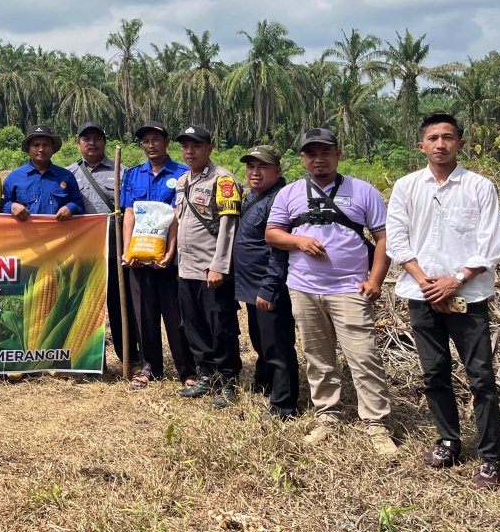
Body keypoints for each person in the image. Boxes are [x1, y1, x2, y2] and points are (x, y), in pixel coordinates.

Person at [386, 114, 500, 488]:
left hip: (468, 296)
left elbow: (492, 243)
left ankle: (491, 458)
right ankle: (449, 441)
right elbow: (396, 240)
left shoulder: (479, 187)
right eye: (433, 138)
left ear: (460, 143)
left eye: (448, 137)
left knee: (481, 378)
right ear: (421, 145)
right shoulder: (406, 187)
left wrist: (455, 281)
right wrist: (427, 283)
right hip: (421, 295)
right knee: (434, 372)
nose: (440, 144)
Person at [266, 128, 396, 455]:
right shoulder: (290, 193)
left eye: (325, 152)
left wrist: (375, 280)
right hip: (304, 289)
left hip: (351, 289)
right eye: (311, 153)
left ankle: (377, 425)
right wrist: (298, 241)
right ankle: (328, 417)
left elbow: (384, 239)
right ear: (303, 158)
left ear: (338, 154)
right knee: (318, 357)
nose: (318, 159)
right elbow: (272, 234)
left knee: (364, 356)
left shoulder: (363, 191)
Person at [169, 126, 243, 406]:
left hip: (212, 270)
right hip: (187, 268)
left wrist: (220, 266)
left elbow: (228, 226)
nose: (190, 150)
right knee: (194, 326)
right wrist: (178, 263)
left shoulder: (223, 180)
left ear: (209, 148)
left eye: (196, 145)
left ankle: (228, 383)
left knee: (221, 327)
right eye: (185, 146)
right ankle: (206, 377)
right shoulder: (183, 180)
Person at [119, 121, 196, 389]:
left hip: (169, 260)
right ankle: (149, 368)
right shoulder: (132, 175)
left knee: (176, 316)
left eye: (155, 140)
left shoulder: (184, 174)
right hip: (139, 257)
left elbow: (178, 216)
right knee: (144, 314)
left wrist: (171, 251)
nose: (150, 145)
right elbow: (129, 214)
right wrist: (127, 250)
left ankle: (187, 371)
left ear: (166, 143)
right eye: (145, 141)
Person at [231, 146, 300, 420]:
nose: (255, 172)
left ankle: (284, 404)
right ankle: (264, 383)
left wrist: (269, 287)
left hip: (266, 286)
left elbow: (279, 251)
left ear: (278, 171)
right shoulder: (252, 196)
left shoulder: (279, 200)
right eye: (250, 167)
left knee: (278, 345)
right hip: (249, 285)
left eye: (263, 167)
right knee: (260, 340)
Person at [68, 122, 139, 384]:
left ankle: (130, 360)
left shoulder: (123, 172)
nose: (92, 143)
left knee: (122, 309)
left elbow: (133, 208)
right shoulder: (69, 173)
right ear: (78, 144)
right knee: (88, 309)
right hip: (85, 255)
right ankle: (89, 362)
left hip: (117, 251)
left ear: (105, 143)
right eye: (86, 139)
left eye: (97, 138)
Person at [1, 125, 83, 221]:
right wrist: (12, 206)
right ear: (28, 149)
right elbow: (2, 206)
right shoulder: (13, 177)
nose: (41, 149)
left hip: (59, 235)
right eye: (35, 145)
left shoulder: (66, 176)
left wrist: (71, 208)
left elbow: (79, 206)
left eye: (46, 145)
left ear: (53, 148)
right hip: (26, 235)